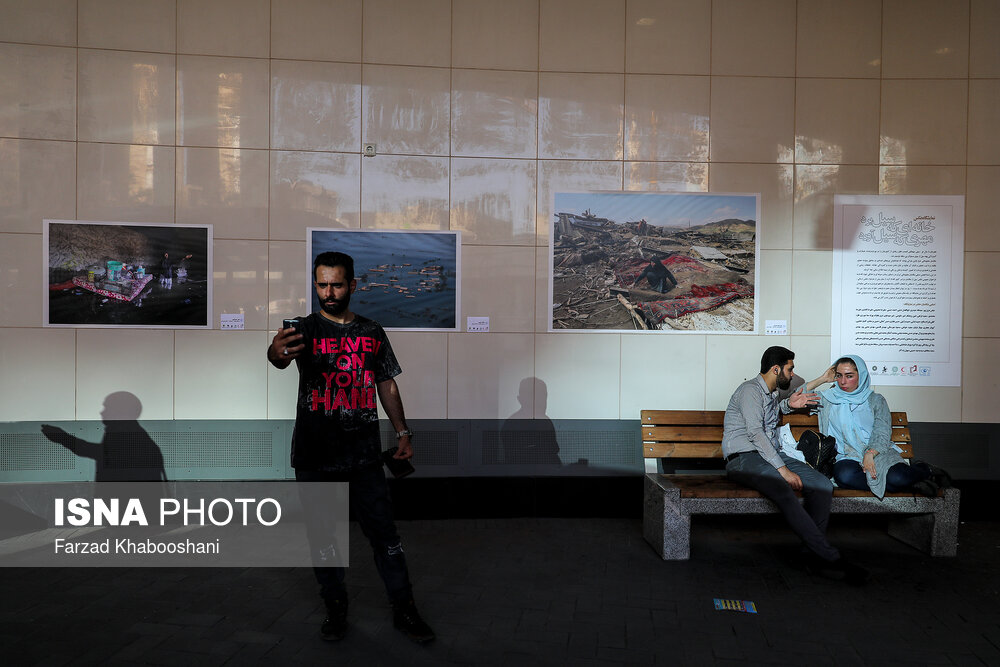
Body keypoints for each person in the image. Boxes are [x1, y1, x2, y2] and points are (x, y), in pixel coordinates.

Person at [267, 251, 434, 644]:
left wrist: (403, 432)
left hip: (363, 455)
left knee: (385, 537)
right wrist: (277, 351)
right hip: (314, 454)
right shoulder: (304, 329)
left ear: (352, 285)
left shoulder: (371, 332)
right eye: (322, 284)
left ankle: (404, 608)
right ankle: (335, 607)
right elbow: (277, 359)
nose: (328, 292)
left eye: (336, 284)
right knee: (324, 538)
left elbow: (386, 383)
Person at [721, 346, 867, 584]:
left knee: (821, 485)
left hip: (769, 456)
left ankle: (810, 554)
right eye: (790, 369)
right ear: (776, 369)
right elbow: (756, 433)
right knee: (784, 490)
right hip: (743, 458)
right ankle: (830, 557)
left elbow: (783, 403)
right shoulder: (749, 391)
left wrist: (808, 391)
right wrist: (784, 470)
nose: (792, 374)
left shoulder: (770, 393)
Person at [818, 355, 944, 498]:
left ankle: (924, 469)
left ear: (862, 375)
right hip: (848, 456)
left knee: (897, 477)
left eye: (849, 376)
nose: (842, 381)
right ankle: (911, 485)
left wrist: (870, 454)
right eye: (839, 375)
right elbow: (791, 401)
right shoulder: (827, 398)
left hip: (877, 452)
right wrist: (822, 379)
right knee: (845, 476)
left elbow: (882, 431)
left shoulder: (875, 400)